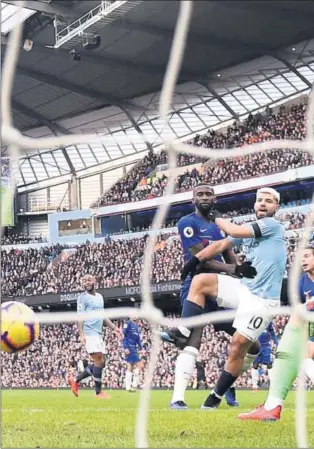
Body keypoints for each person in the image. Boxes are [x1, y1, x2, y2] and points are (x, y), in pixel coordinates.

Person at [176, 187, 286, 410]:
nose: (263, 204)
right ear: (254, 205)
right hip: (245, 289)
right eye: (259, 200)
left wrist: (217, 218)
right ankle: (181, 331)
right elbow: (221, 245)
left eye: (268, 201)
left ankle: (216, 396)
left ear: (277, 207)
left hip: (263, 300)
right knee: (201, 281)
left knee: (238, 345)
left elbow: (229, 229)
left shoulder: (272, 226)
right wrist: (194, 260)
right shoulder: (249, 229)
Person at [161, 183, 259, 410]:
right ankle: (177, 399)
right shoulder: (187, 223)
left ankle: (227, 387)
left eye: (209, 194)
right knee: (192, 342)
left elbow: (229, 253)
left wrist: (240, 272)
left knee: (250, 344)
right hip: (197, 286)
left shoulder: (220, 224)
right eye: (200, 194)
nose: (205, 197)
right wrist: (232, 270)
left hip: (221, 288)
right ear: (193, 200)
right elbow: (200, 257)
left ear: (215, 199)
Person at [238, 245, 314, 421]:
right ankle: (272, 406)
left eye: (307, 256)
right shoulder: (301, 283)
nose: (303, 260)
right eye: (300, 257)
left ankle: (272, 405)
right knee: (302, 351)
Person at [68, 274, 122, 398]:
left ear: (94, 281)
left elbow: (102, 316)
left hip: (98, 333)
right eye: (84, 281)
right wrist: (81, 334)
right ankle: (98, 393)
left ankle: (75, 380)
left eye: (89, 280)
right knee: (98, 361)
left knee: (102, 362)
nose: (87, 282)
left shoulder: (99, 297)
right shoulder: (82, 298)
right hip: (89, 332)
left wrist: (114, 328)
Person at [251, 322, 278, 392]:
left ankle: (273, 384)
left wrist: (276, 342)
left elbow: (272, 332)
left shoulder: (268, 322)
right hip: (256, 345)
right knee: (255, 365)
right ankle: (254, 385)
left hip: (266, 346)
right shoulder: (255, 320)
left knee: (269, 364)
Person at [123, 316, 143, 392]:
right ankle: (134, 385)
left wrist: (141, 347)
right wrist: (125, 347)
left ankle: (128, 387)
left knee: (130, 366)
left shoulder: (136, 326)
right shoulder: (128, 323)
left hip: (134, 347)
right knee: (139, 365)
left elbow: (138, 339)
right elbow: (124, 336)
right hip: (129, 347)